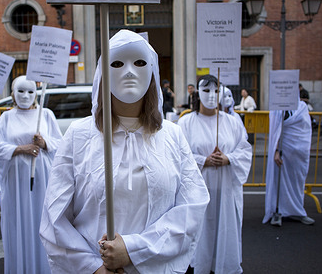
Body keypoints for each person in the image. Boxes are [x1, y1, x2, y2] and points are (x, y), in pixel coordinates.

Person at [39, 30, 210, 274]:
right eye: (117, 63)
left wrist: (132, 251)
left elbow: (192, 208)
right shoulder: (78, 135)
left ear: (152, 70)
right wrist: (94, 268)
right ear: (103, 72)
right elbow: (55, 217)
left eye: (139, 62)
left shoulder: (172, 135)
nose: (129, 71)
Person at [178, 75, 252, 274]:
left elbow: (244, 149)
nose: (211, 96)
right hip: (199, 189)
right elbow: (179, 155)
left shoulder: (232, 123)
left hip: (226, 189)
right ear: (198, 93)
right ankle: (200, 264)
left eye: (216, 90)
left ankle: (224, 264)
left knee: (224, 228)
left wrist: (229, 158)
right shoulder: (186, 123)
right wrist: (204, 161)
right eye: (207, 90)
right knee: (201, 229)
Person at [0, 76, 62, 273]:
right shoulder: (6, 117)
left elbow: (61, 146)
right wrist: (21, 148)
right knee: (18, 223)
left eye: (30, 91)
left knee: (42, 222)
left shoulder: (45, 115)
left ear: (36, 93)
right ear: (13, 93)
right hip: (16, 181)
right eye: (21, 91)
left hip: (42, 179)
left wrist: (44, 143)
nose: (25, 95)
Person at [263, 101, 315, 226]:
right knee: (279, 182)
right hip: (282, 151)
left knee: (296, 183)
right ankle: (278, 211)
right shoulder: (277, 107)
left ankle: (297, 211)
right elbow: (275, 130)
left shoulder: (302, 107)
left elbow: (305, 129)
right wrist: (276, 150)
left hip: (298, 155)